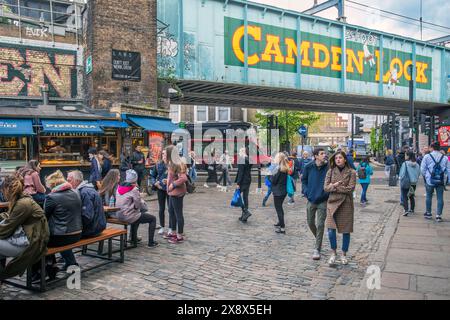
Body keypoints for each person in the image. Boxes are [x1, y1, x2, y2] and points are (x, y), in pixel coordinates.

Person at [0, 175, 49, 280]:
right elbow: (11, 216)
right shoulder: (23, 199)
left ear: (6, 190)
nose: (2, 193)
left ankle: (2, 276)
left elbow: (5, 230)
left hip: (33, 244)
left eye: (2, 190)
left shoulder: (22, 203)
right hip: (34, 238)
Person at [44, 170, 82, 275]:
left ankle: (49, 269)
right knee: (62, 236)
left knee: (40, 240)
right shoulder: (76, 192)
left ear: (53, 185)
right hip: (77, 233)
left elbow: (43, 218)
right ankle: (71, 263)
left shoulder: (51, 197)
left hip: (61, 236)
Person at [324, 151, 357, 266]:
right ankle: (333, 252)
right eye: (336, 158)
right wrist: (335, 185)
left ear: (345, 159)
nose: (338, 160)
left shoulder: (352, 172)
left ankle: (343, 254)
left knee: (346, 231)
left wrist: (335, 187)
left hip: (346, 204)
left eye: (340, 158)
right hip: (332, 203)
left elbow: (350, 189)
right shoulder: (331, 171)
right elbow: (326, 188)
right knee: (330, 230)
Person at [116, 169, 159, 247]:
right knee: (152, 219)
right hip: (128, 215)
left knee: (137, 215)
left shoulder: (119, 187)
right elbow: (137, 205)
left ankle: (133, 238)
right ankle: (151, 242)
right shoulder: (134, 189)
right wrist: (141, 199)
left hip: (119, 214)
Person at [301, 148, 329, 261]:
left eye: (325, 153)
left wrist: (327, 193)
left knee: (321, 224)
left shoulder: (328, 168)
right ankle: (319, 239)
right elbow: (304, 180)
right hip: (311, 199)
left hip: (323, 200)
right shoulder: (308, 166)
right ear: (316, 156)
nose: (324, 155)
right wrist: (306, 192)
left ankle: (317, 249)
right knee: (310, 222)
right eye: (322, 154)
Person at [67, 170, 106, 238]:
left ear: (77, 181)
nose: (67, 183)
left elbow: (87, 216)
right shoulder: (87, 189)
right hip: (98, 226)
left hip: (93, 229)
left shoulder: (84, 192)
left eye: (69, 180)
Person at [165, 145, 188, 244]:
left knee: (178, 214)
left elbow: (183, 178)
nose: (165, 154)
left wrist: (173, 184)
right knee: (171, 211)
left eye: (166, 153)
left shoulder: (178, 163)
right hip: (171, 193)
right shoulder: (171, 163)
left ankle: (179, 235)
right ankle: (173, 232)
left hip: (177, 193)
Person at [420, 142, 448, 222]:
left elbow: (422, 169)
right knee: (440, 198)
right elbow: (448, 170)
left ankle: (428, 213)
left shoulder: (427, 156)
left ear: (432, 147)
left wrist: (425, 176)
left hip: (430, 180)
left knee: (429, 196)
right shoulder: (444, 157)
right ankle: (438, 215)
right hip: (440, 180)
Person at [149, 149, 170, 236]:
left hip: (170, 189)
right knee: (161, 209)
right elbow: (152, 176)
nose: (163, 155)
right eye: (162, 153)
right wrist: (155, 183)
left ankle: (171, 227)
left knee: (171, 209)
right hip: (160, 188)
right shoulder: (158, 164)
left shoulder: (172, 164)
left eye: (165, 153)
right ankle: (162, 226)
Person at [270, 152, 290, 234]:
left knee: (279, 210)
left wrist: (270, 175)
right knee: (280, 208)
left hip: (278, 192)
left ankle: (282, 228)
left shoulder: (278, 169)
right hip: (283, 191)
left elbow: (274, 181)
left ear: (279, 159)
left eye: (276, 157)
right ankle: (280, 223)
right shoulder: (284, 167)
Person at [399, 152, 421, 216]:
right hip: (413, 183)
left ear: (408, 156)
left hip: (406, 182)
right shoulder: (417, 164)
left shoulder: (405, 163)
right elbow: (419, 173)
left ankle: (406, 210)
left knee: (404, 196)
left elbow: (402, 173)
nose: (405, 156)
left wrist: (400, 179)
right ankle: (412, 209)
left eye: (406, 155)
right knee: (411, 195)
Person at [236, 147, 252, 222]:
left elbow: (240, 173)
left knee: (238, 197)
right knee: (245, 197)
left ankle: (245, 212)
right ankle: (244, 216)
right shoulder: (249, 159)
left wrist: (238, 183)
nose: (238, 152)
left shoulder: (241, 160)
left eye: (240, 151)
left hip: (242, 181)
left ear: (243, 151)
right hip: (248, 180)